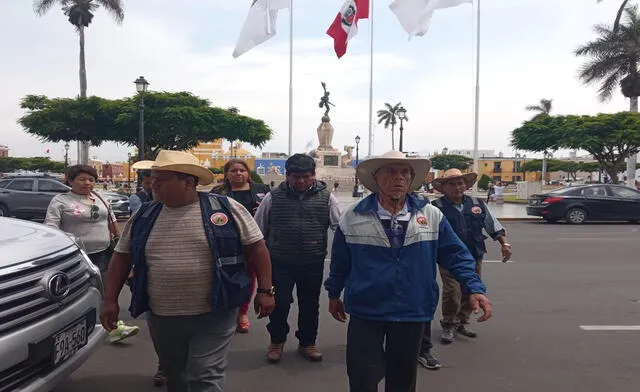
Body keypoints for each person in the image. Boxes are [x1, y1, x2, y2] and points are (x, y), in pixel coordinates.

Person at [100, 150, 276, 392]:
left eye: (163, 178)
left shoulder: (225, 208)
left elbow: (257, 248)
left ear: (189, 182)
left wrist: (266, 290)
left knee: (203, 377)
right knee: (175, 375)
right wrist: (110, 300)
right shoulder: (144, 215)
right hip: (163, 315)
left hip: (216, 310)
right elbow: (121, 257)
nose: (154, 183)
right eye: (152, 177)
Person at [324, 151, 492, 392]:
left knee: (403, 379)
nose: (399, 178)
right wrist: (333, 294)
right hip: (366, 309)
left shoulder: (431, 214)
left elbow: (456, 254)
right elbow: (340, 261)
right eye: (391, 172)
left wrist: (475, 288)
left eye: (405, 173)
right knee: (362, 377)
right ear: (376, 177)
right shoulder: (353, 216)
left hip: (412, 308)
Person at [254, 153, 341, 363]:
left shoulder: (327, 197)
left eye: (306, 176)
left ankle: (307, 343)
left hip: (312, 261)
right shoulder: (272, 197)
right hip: (280, 261)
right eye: (295, 176)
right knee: (279, 304)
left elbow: (339, 229)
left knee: (310, 305)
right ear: (287, 175)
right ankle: (276, 341)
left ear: (313, 175)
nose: (301, 181)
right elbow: (258, 230)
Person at [45, 165, 139, 344]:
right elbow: (51, 227)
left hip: (103, 254)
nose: (87, 183)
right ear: (70, 181)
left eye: (91, 180)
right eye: (81, 179)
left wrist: (119, 242)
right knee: (74, 294)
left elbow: (112, 221)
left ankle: (113, 328)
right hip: (76, 257)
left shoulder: (100, 198)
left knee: (106, 292)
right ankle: (67, 331)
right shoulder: (61, 200)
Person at [430, 168, 511, 345]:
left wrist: (504, 243)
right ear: (444, 187)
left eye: (460, 183)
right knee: (452, 290)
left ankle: (463, 321)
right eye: (452, 183)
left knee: (471, 289)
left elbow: (493, 225)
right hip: (448, 257)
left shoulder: (477, 204)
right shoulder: (436, 208)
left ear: (466, 185)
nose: (457, 187)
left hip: (474, 253)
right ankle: (449, 323)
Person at [210, 159, 271, 333]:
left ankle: (242, 313)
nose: (238, 174)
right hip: (226, 242)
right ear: (226, 174)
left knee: (249, 278)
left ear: (248, 173)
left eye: (242, 170)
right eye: (233, 171)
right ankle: (224, 309)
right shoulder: (218, 193)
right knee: (224, 276)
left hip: (254, 242)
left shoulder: (262, 191)